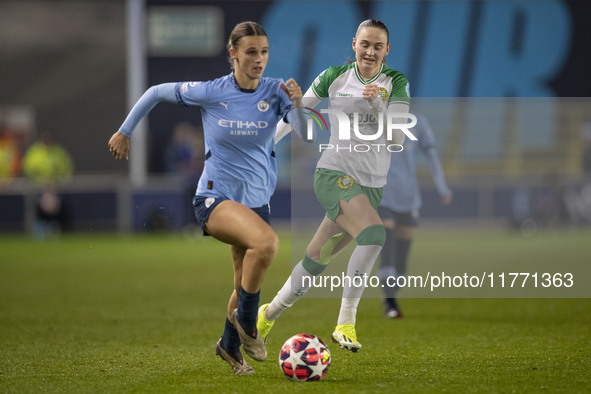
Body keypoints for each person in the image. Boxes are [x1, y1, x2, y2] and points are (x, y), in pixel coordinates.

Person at [108, 21, 304, 375]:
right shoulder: (211, 92)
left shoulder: (276, 91)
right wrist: (125, 131)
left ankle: (229, 346)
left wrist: (299, 106)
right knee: (268, 244)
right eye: (250, 52)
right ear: (233, 54)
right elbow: (154, 92)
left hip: (257, 201)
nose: (259, 59)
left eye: (264, 52)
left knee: (242, 282)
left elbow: (305, 133)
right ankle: (248, 324)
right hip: (215, 199)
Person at [257, 19, 410, 353]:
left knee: (316, 258)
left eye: (377, 46)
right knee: (374, 234)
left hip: (370, 188)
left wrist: (377, 105)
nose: (370, 51)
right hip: (333, 174)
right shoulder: (333, 76)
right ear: (354, 43)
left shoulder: (395, 83)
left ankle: (266, 316)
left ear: (387, 50)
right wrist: (264, 146)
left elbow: (396, 138)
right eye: (365, 44)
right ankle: (346, 323)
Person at [378, 113, 452, 318]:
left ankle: (390, 295)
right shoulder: (373, 119)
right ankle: (391, 303)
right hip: (381, 194)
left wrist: (442, 187)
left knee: (402, 260)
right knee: (388, 245)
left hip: (408, 197)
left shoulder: (418, 122)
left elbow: (431, 154)